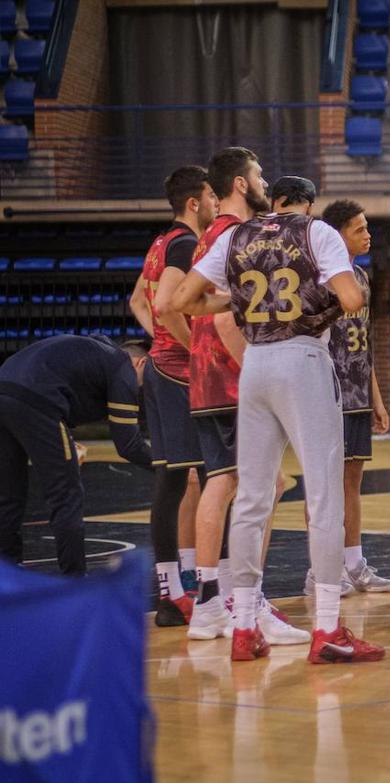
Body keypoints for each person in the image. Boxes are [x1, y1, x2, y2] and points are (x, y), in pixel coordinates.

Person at [177, 168, 385, 665]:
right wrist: (313, 300)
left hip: (256, 365)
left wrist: (244, 299)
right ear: (308, 205)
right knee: (324, 493)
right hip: (303, 358)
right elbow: (353, 298)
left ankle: (244, 625)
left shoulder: (237, 236)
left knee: (250, 498)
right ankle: (328, 627)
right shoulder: (317, 233)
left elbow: (184, 301)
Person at [128, 165, 217, 626]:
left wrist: (159, 339)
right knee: (215, 479)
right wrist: (191, 345)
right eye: (211, 195)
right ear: (193, 202)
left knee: (171, 484)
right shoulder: (185, 242)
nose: (216, 202)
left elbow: (139, 304)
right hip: (181, 374)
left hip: (161, 371)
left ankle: (170, 593)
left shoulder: (159, 243)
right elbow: (163, 305)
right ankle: (208, 590)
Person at [0, 336, 152, 575]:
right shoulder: (124, 368)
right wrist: (166, 464)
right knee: (66, 496)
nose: (141, 389)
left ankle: (7, 575)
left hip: (5, 386)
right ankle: (74, 580)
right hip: (38, 401)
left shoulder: (98, 353)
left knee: (9, 495)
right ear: (141, 363)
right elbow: (129, 445)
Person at [314, 198, 390, 597]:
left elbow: (363, 348)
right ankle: (321, 571)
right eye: (360, 229)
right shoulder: (320, 278)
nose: (369, 234)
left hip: (358, 393)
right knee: (327, 484)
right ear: (337, 234)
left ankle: (353, 563)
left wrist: (377, 397)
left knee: (352, 481)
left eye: (368, 227)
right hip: (326, 394)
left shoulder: (359, 279)